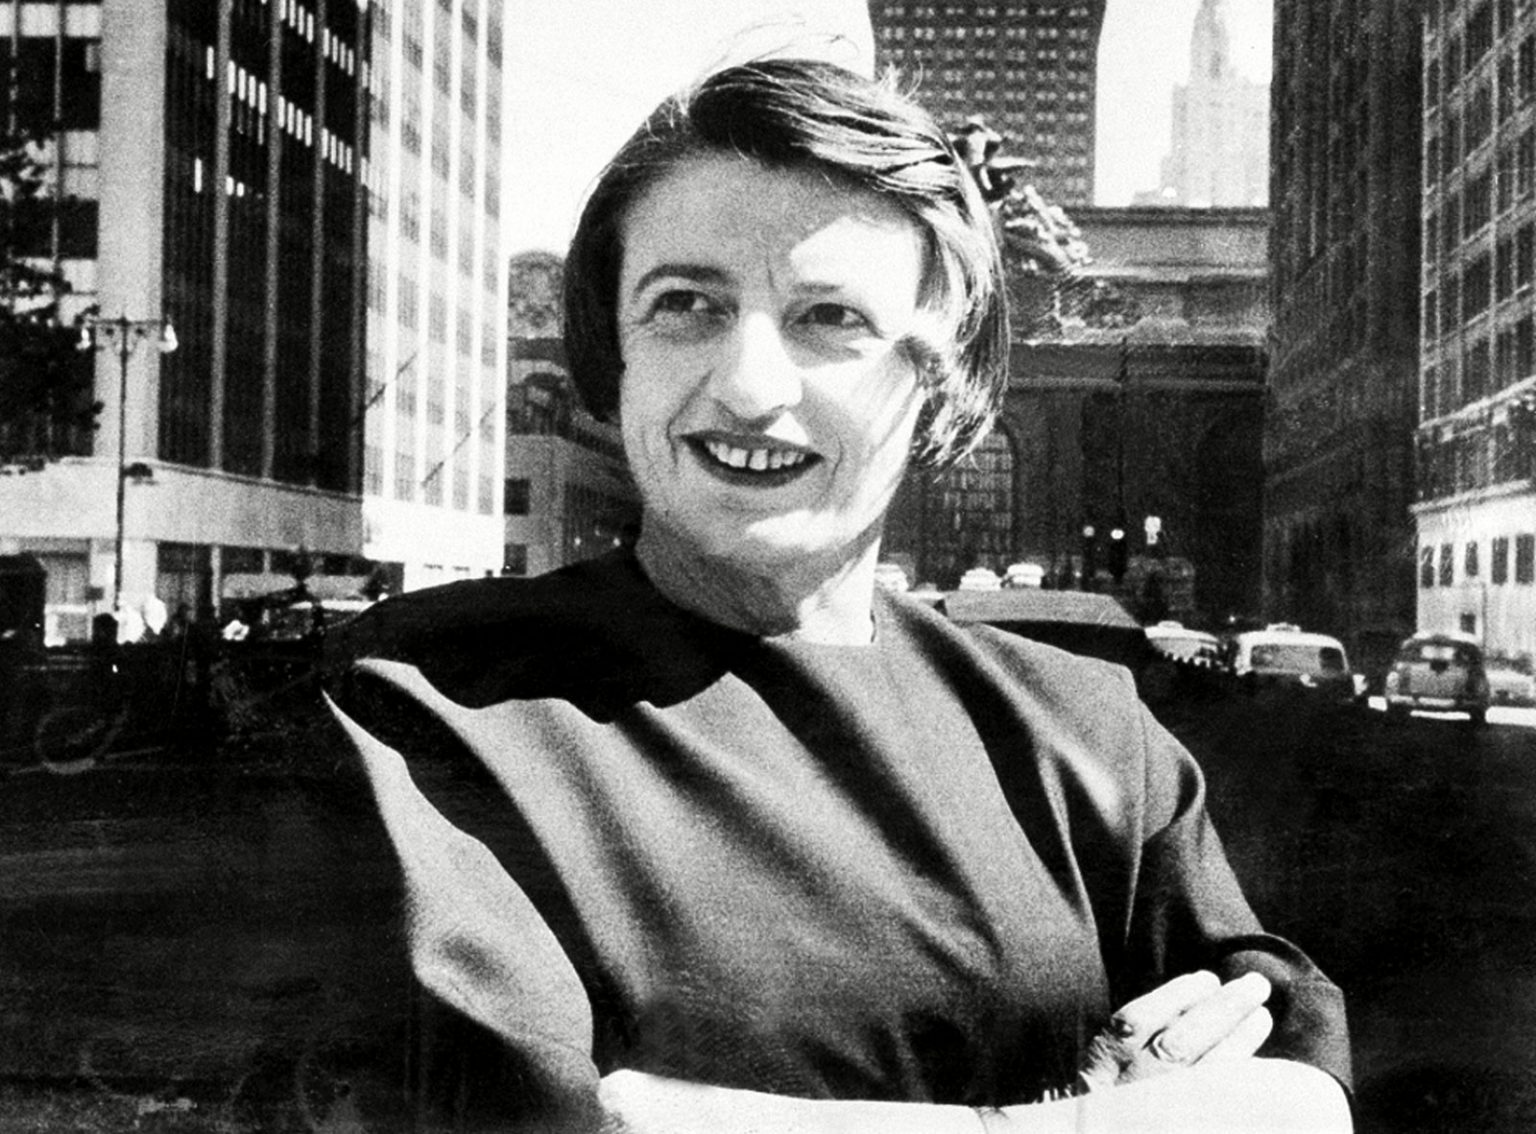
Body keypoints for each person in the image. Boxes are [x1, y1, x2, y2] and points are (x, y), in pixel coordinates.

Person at [325, 59, 1351, 1132]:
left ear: (940, 381)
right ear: (611, 352)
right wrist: (1086, 1117)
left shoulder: (1092, 738)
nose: (749, 385)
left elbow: (1297, 1098)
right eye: (685, 305)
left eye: (830, 318)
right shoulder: (414, 708)